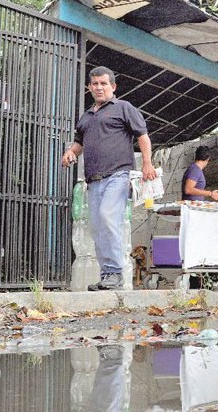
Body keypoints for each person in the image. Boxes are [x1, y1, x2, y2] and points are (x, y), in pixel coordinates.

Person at [61, 66, 157, 291]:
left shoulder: (123, 108)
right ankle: (108, 277)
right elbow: (79, 143)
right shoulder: (87, 116)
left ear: (113, 87)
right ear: (89, 87)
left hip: (118, 175)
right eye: (95, 83)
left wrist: (147, 163)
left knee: (107, 217)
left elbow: (142, 136)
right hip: (93, 180)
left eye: (103, 83)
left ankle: (114, 273)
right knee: (96, 227)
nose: (99, 87)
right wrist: (71, 153)